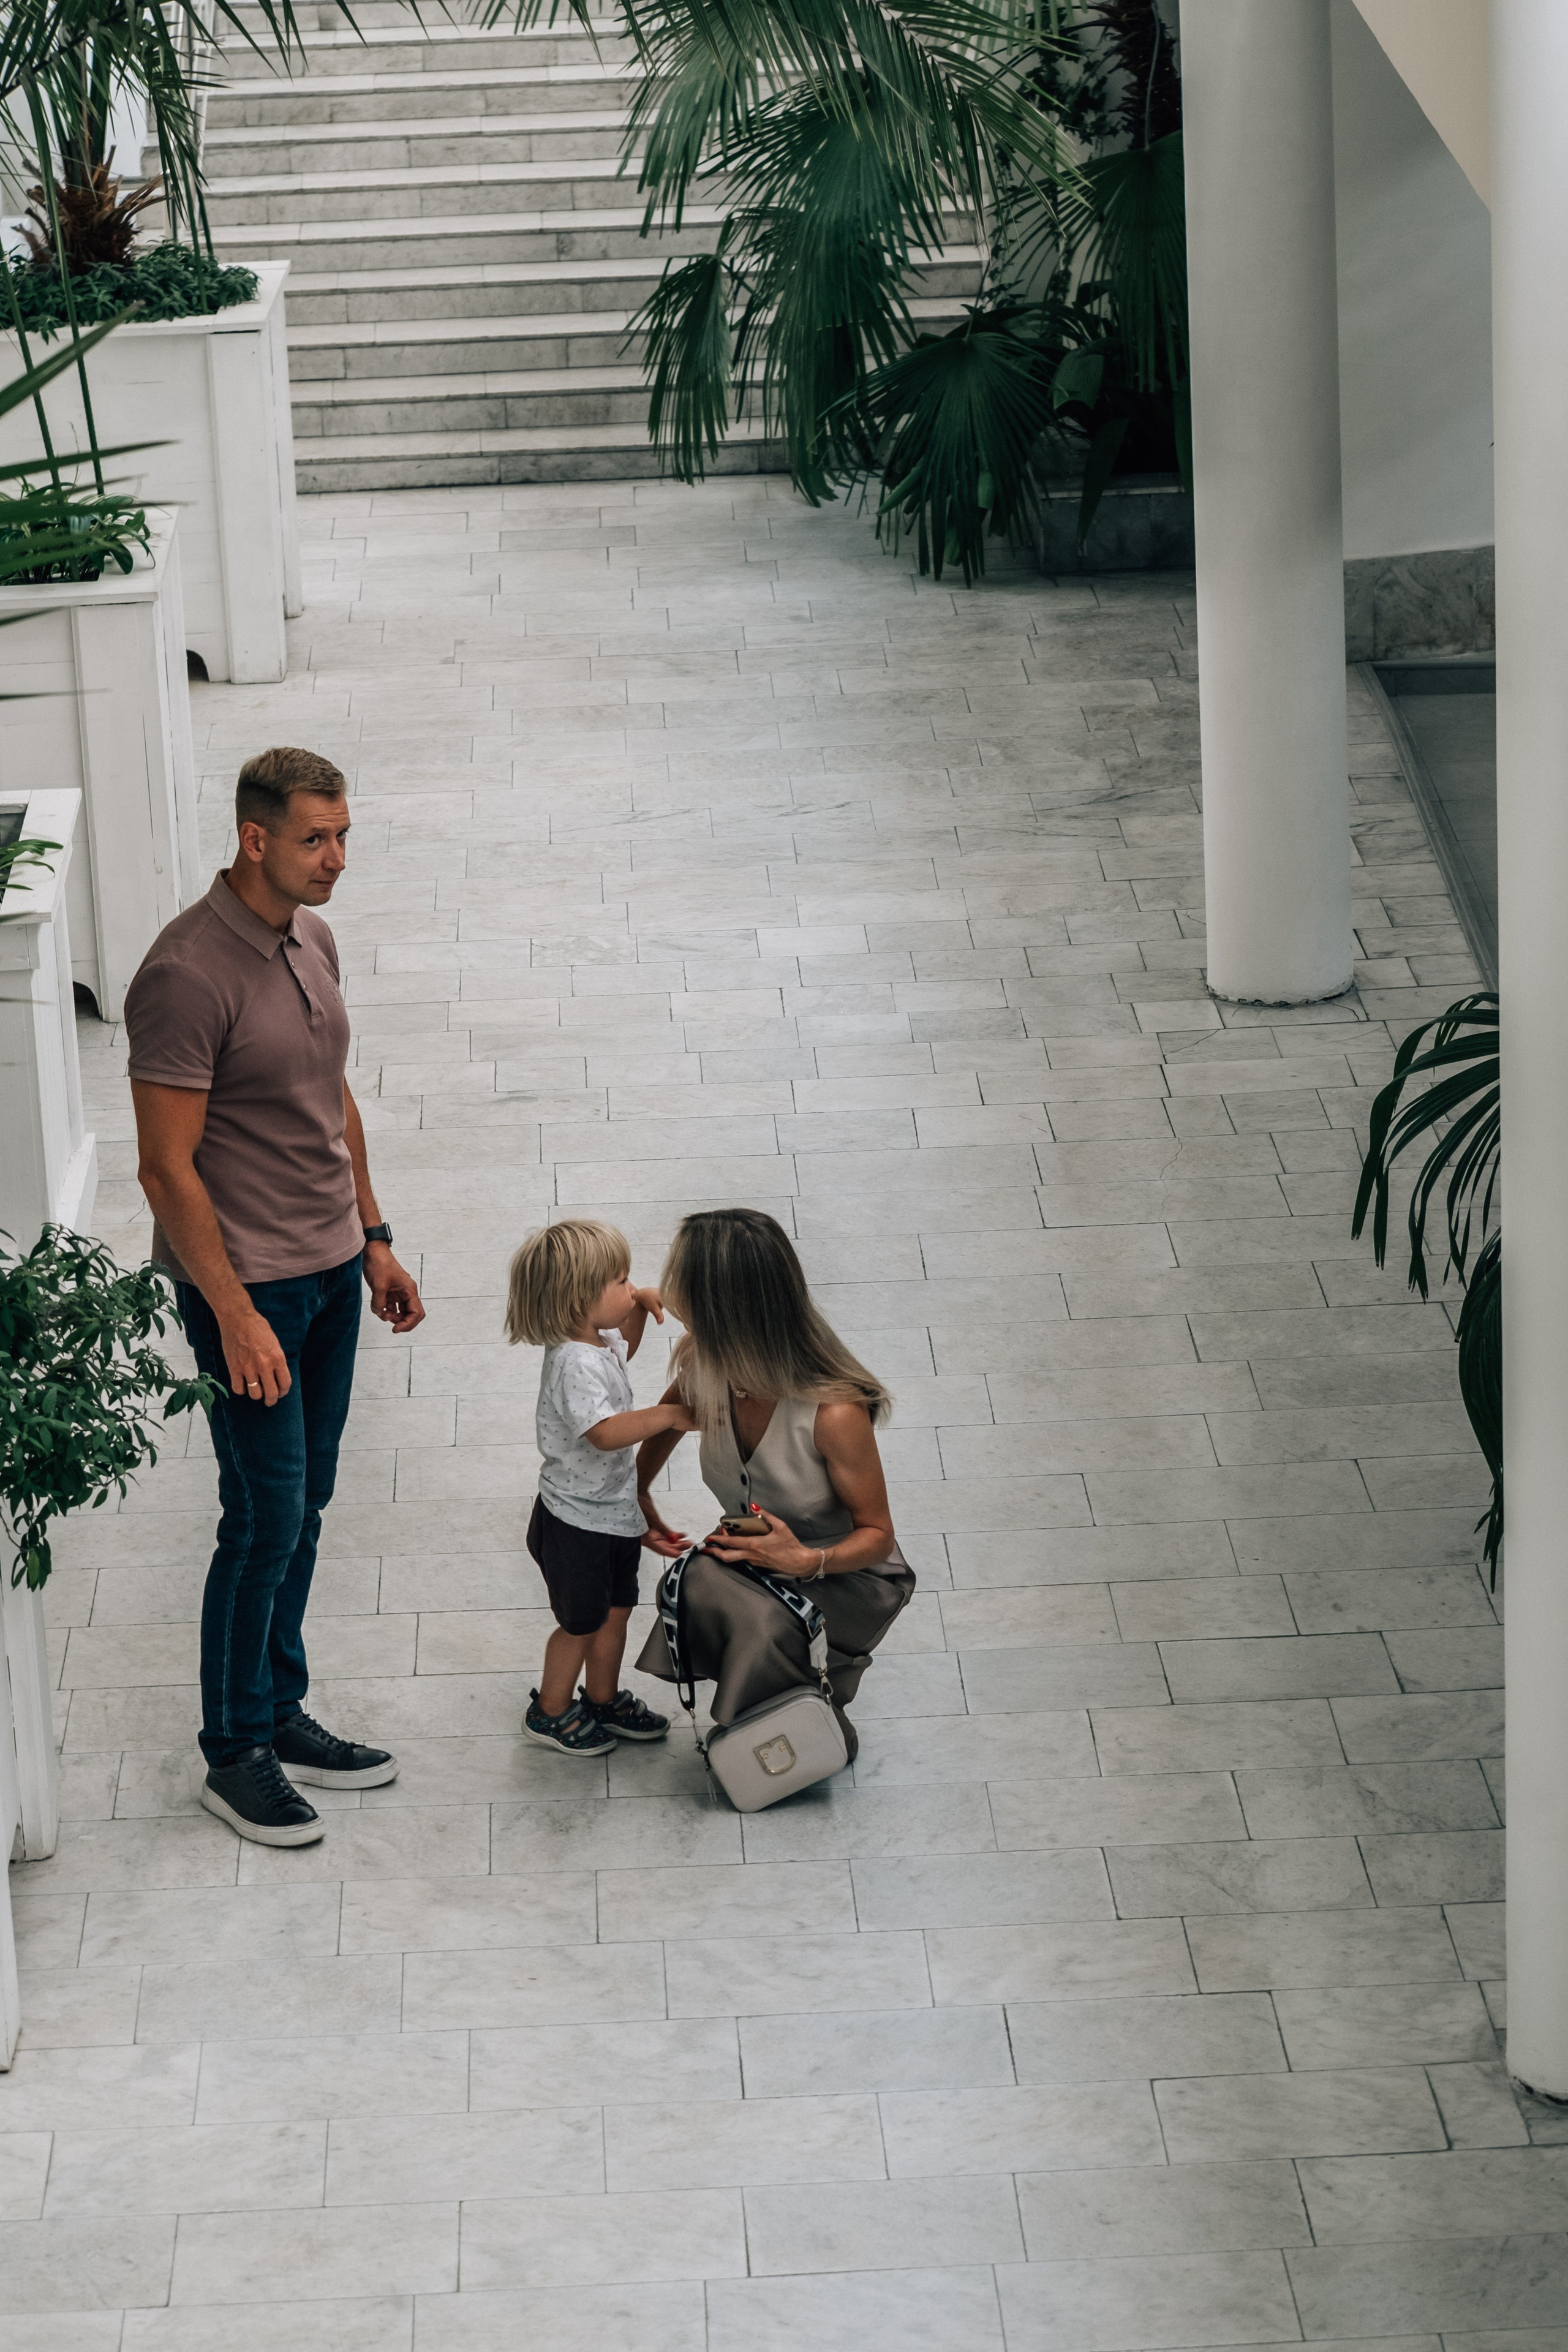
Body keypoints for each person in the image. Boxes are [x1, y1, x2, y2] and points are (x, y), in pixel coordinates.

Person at [125, 747, 426, 1849]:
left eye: (345, 834)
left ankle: (280, 1706)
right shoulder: (184, 975)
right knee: (260, 1520)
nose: (339, 857)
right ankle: (234, 1751)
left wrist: (375, 1235)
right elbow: (166, 1168)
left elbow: (327, 1091)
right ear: (256, 838)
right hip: (247, 1289)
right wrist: (237, 1315)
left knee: (308, 1505)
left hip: (334, 1268)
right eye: (317, 838)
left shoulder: (313, 934)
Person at [634, 1207, 913, 1760]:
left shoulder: (834, 1412)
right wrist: (637, 1493)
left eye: (681, 1278)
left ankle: (808, 1728)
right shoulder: (707, 1361)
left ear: (720, 1304)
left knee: (761, 1618)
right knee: (694, 1582)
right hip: (763, 1551)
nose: (667, 1289)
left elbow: (878, 1534)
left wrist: (807, 1563)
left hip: (845, 1572)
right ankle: (773, 1713)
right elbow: (665, 1421)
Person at [505, 1217, 698, 1755]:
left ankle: (603, 1697)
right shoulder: (572, 1363)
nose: (630, 1286)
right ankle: (549, 1710)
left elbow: (623, 1349)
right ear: (577, 1300)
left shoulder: (593, 1339)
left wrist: (641, 1302)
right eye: (619, 1281)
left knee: (617, 1612)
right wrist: (669, 1416)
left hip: (607, 1513)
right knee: (581, 1623)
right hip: (574, 1524)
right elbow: (606, 1432)